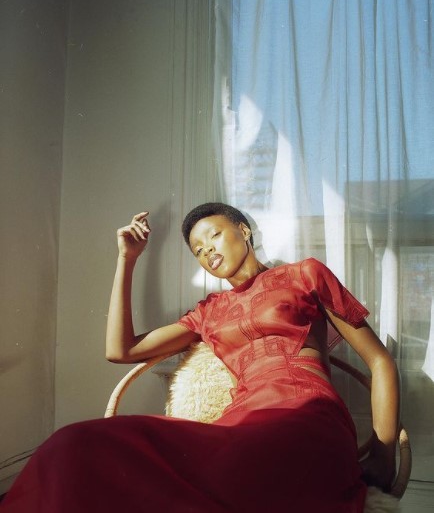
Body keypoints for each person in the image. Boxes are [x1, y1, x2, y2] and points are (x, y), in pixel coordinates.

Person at [1, 203, 399, 512]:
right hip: (239, 421)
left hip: (306, 414)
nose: (207, 251)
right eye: (198, 249)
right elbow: (120, 350)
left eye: (214, 236)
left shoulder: (305, 274)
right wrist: (128, 259)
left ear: (243, 231)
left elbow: (379, 361)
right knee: (73, 444)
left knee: (246, 470)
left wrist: (383, 455)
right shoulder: (209, 311)